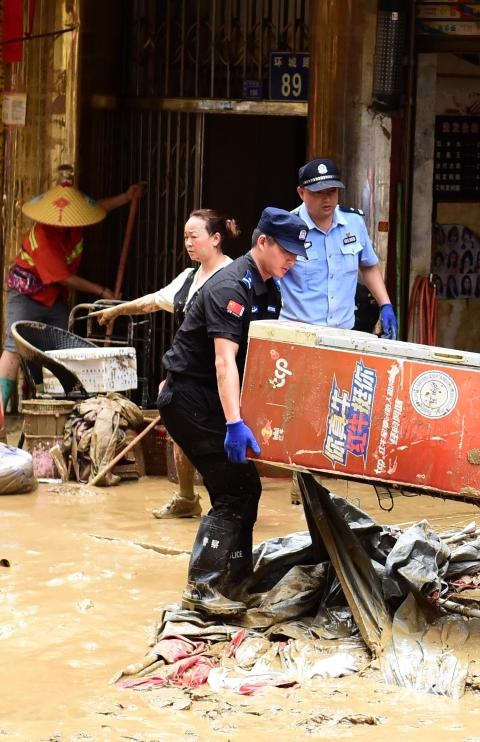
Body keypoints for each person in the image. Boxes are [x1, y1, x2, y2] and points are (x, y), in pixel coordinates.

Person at [156, 207, 309, 616]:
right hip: (190, 400)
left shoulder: (269, 288)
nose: (292, 260)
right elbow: (225, 362)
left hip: (212, 399)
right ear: (263, 243)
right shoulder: (232, 288)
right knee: (233, 491)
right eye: (287, 251)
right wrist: (234, 423)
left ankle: (235, 583)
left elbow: (261, 362)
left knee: (247, 488)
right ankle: (201, 587)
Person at [94, 210, 240, 520]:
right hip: (188, 373)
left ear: (215, 239)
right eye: (185, 237)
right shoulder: (189, 277)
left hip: (221, 371)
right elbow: (152, 301)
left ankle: (232, 503)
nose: (188, 242)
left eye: (194, 236)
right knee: (180, 431)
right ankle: (187, 498)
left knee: (221, 438)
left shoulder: (233, 278)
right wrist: (117, 311)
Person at [0, 167, 145, 411]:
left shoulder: (74, 224)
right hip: (26, 295)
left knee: (60, 349)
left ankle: (55, 405)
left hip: (54, 297)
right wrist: (102, 291)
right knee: (13, 350)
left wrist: (126, 197)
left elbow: (97, 208)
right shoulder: (43, 236)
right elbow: (65, 276)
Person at [280, 158, 397, 339]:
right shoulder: (287, 226)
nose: (326, 199)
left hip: (342, 335)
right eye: (318, 192)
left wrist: (385, 305)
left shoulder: (354, 222)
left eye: (332, 191)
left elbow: (368, 266)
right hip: (298, 335)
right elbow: (269, 274)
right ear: (301, 193)